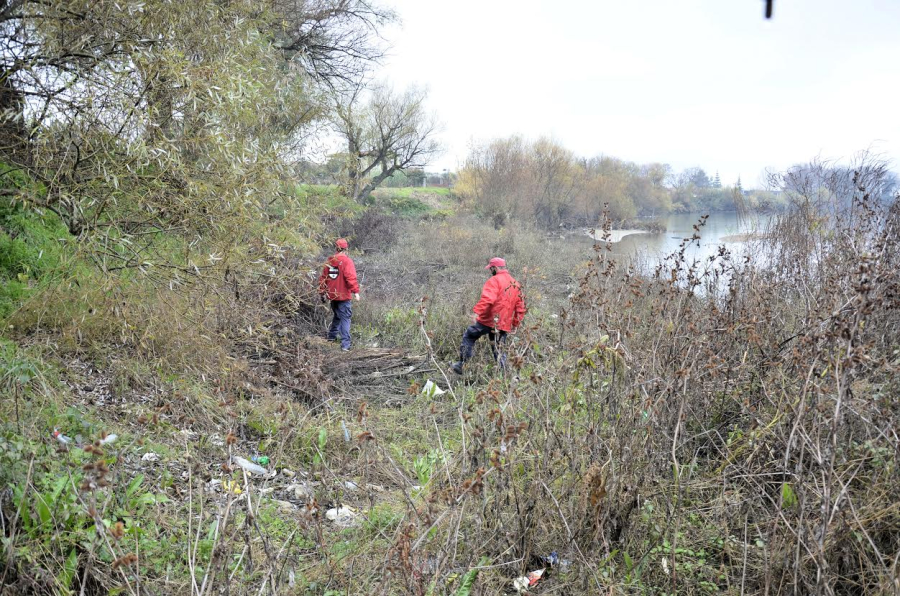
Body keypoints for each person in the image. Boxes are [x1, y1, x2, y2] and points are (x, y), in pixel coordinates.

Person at [452, 257, 526, 374]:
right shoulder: (515, 284)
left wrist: (476, 312)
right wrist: (515, 324)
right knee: (499, 349)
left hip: (488, 320)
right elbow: (520, 308)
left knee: (470, 335)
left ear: (495, 268)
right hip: (503, 324)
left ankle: (462, 365)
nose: (490, 271)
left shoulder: (494, 281)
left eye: (491, 269)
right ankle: (504, 375)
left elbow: (488, 299)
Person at [318, 238, 360, 351]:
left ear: (336, 248)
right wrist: (355, 292)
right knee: (345, 318)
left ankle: (331, 338)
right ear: (346, 249)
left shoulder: (330, 260)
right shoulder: (347, 261)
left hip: (332, 295)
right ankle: (345, 345)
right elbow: (350, 277)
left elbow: (323, 278)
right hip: (343, 296)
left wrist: (322, 292)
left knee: (337, 316)